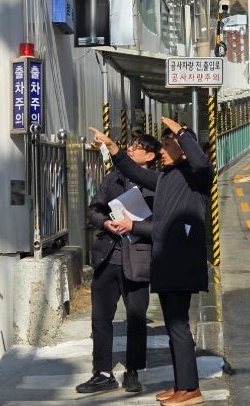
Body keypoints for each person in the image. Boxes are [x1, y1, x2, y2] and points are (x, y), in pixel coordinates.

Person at [89, 117, 213, 406]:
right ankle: (182, 384)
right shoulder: (167, 178)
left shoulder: (197, 177)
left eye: (168, 145)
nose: (161, 151)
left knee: (179, 327)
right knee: (173, 327)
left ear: (184, 149)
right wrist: (113, 148)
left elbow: (201, 163)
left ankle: (190, 389)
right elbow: (133, 171)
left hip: (181, 264)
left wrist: (183, 132)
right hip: (167, 263)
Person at [75, 133, 162, 395]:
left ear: (150, 156)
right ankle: (102, 373)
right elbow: (94, 210)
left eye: (137, 147)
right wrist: (105, 223)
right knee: (100, 318)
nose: (131, 150)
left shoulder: (158, 184)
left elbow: (161, 227)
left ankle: (133, 371)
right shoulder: (113, 178)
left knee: (136, 317)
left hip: (138, 258)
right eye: (130, 146)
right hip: (108, 257)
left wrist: (134, 226)